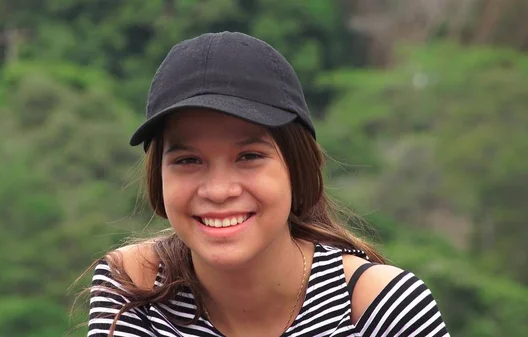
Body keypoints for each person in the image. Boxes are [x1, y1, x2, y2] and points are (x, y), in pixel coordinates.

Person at [86, 31, 450, 337]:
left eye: (249, 157)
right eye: (188, 161)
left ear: (297, 168)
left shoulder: (377, 308)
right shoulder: (138, 287)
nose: (219, 190)